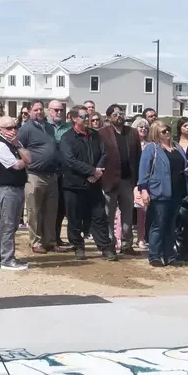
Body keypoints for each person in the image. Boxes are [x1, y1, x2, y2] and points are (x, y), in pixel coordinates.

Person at [59, 106, 114, 261]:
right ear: (75, 119)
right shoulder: (67, 138)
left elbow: (104, 154)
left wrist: (96, 174)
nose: (88, 119)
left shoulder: (95, 135)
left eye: (88, 116)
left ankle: (105, 247)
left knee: (99, 216)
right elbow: (70, 161)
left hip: (94, 183)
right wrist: (91, 170)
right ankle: (78, 246)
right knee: (75, 217)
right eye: (84, 116)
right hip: (74, 185)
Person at [136, 119, 186, 267]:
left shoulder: (177, 147)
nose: (168, 133)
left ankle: (170, 256)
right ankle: (154, 256)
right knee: (158, 224)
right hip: (159, 191)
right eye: (164, 131)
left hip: (176, 191)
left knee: (171, 225)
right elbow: (143, 171)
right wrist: (144, 190)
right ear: (156, 133)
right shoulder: (152, 148)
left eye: (168, 130)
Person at [98, 104, 141, 255]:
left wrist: (136, 180)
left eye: (121, 113)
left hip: (127, 180)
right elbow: (99, 156)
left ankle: (126, 244)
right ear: (109, 117)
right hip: (108, 180)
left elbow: (138, 157)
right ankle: (110, 244)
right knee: (108, 215)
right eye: (115, 114)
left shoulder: (132, 133)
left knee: (128, 214)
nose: (119, 116)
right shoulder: (102, 133)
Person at [18, 99, 59, 254]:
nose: (39, 112)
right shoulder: (25, 129)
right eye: (35, 110)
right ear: (29, 111)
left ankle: (50, 241)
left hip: (51, 175)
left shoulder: (49, 127)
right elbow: (18, 149)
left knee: (51, 211)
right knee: (34, 211)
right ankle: (35, 243)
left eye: (41, 109)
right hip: (34, 176)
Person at [0, 116, 30, 271]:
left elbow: (29, 158)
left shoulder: (15, 143)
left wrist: (19, 148)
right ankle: (6, 260)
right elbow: (17, 165)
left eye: (15, 127)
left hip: (18, 188)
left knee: (14, 225)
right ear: (0, 130)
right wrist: (23, 159)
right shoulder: (0, 145)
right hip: (6, 189)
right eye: (8, 128)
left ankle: (10, 257)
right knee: (7, 226)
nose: (13, 130)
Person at [47, 99, 69, 247]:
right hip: (48, 171)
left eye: (61, 110)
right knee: (48, 207)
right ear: (49, 111)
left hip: (64, 172)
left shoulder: (68, 127)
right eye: (55, 110)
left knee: (61, 206)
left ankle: (56, 237)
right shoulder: (44, 127)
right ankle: (47, 238)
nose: (58, 112)